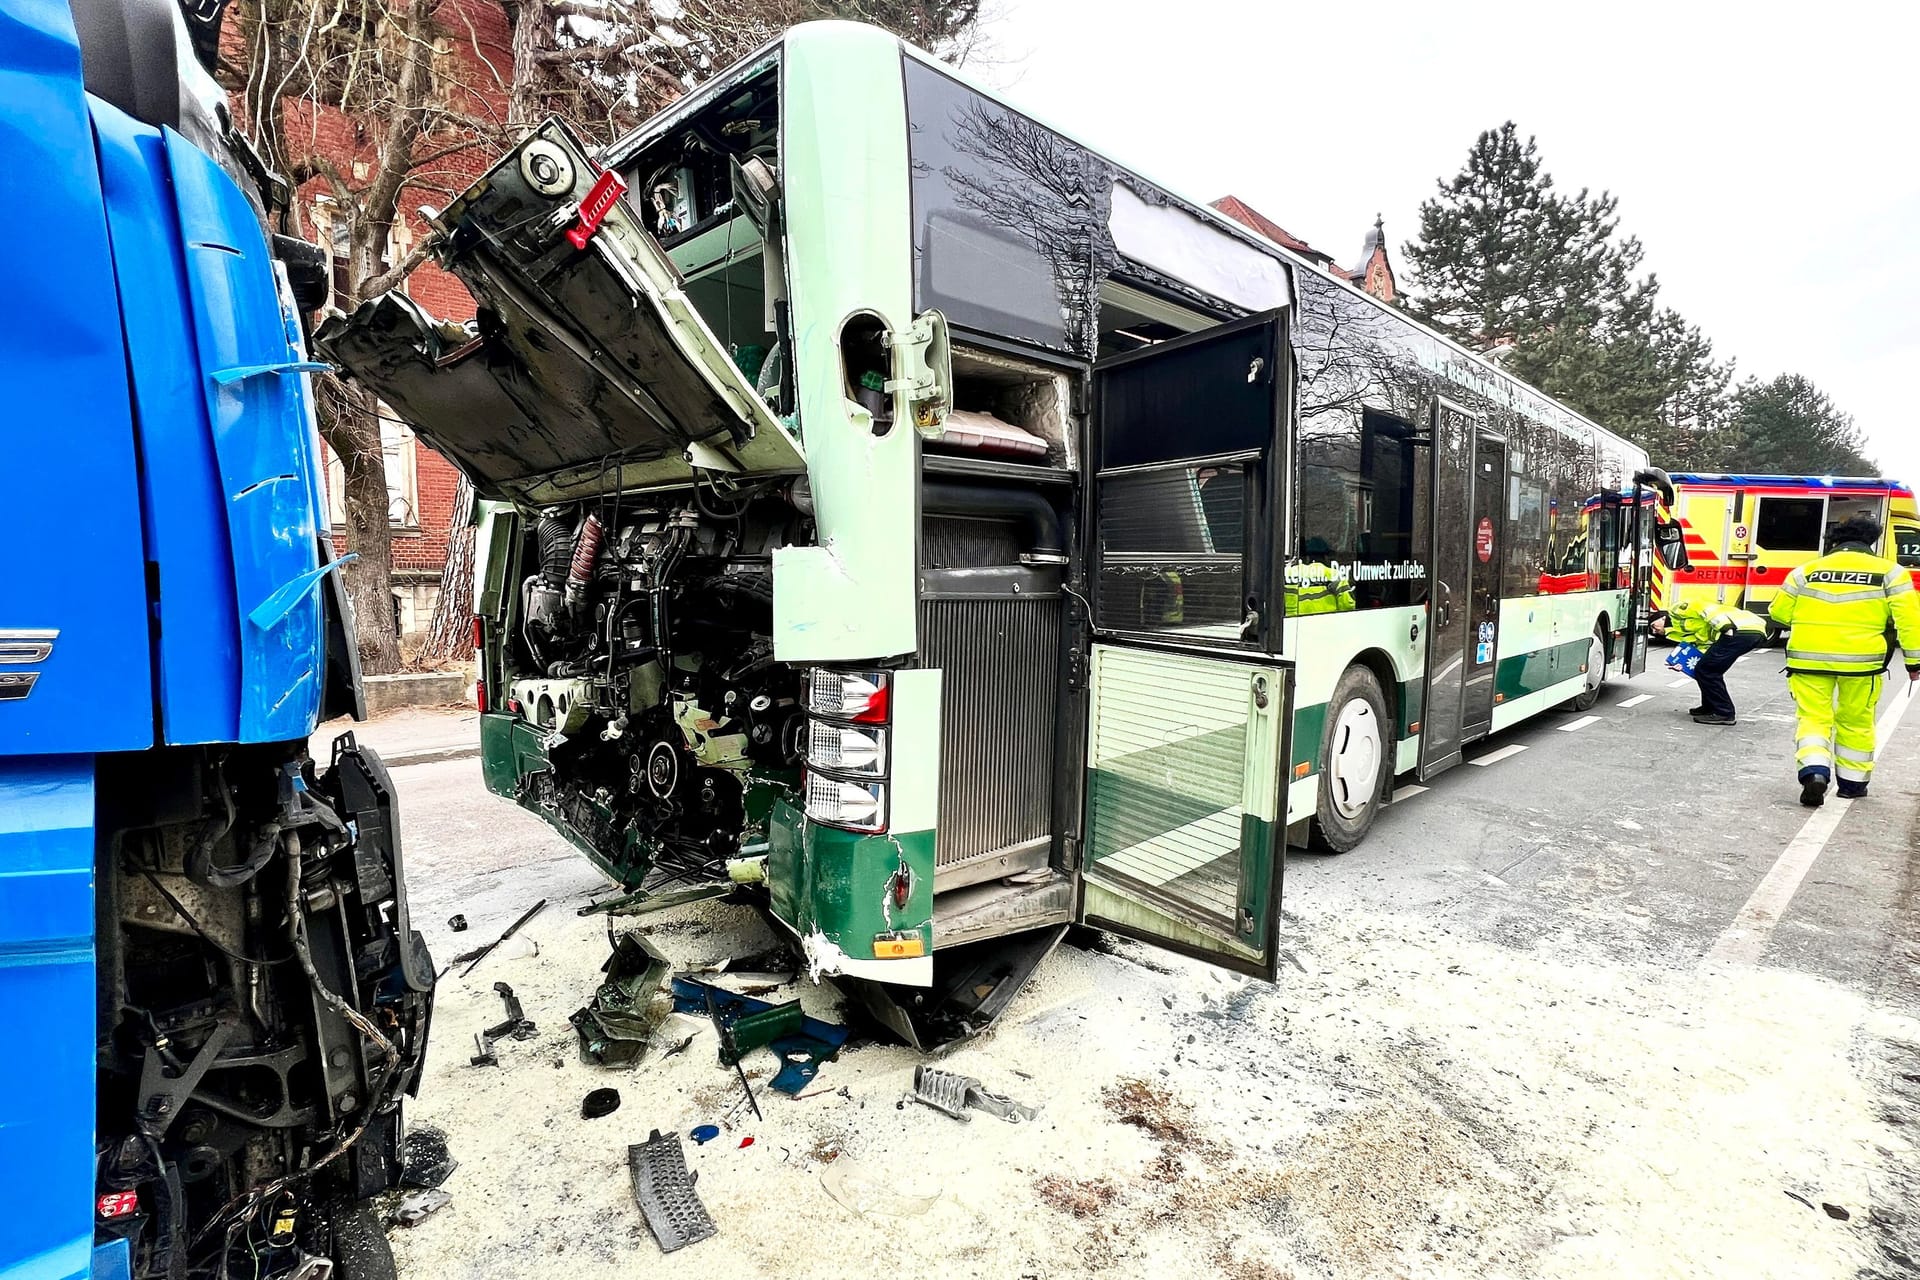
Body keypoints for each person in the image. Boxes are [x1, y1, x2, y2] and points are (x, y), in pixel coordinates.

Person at [1768, 515, 1920, 807]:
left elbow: (1779, 613)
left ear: (1835, 542)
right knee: (1856, 722)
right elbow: (1909, 621)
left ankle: (1814, 773)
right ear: (1870, 542)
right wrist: (1913, 662)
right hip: (1861, 664)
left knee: (1813, 719)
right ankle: (1852, 785)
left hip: (1808, 660)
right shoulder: (1891, 573)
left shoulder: (1806, 571)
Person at [1648, 600, 1767, 724]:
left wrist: (1724, 626)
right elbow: (1702, 647)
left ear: (1662, 618)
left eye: (1653, 626)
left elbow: (1703, 607)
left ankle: (1724, 713)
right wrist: (1683, 665)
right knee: (1705, 669)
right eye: (1653, 632)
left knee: (1708, 670)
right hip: (1740, 633)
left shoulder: (1677, 611)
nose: (1655, 631)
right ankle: (1710, 707)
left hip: (1742, 629)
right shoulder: (1676, 633)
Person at [1284, 538, 1355, 615]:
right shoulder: (1333, 574)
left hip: (1292, 623)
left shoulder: (1290, 573)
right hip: (1327, 623)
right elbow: (1348, 605)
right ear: (1325, 556)